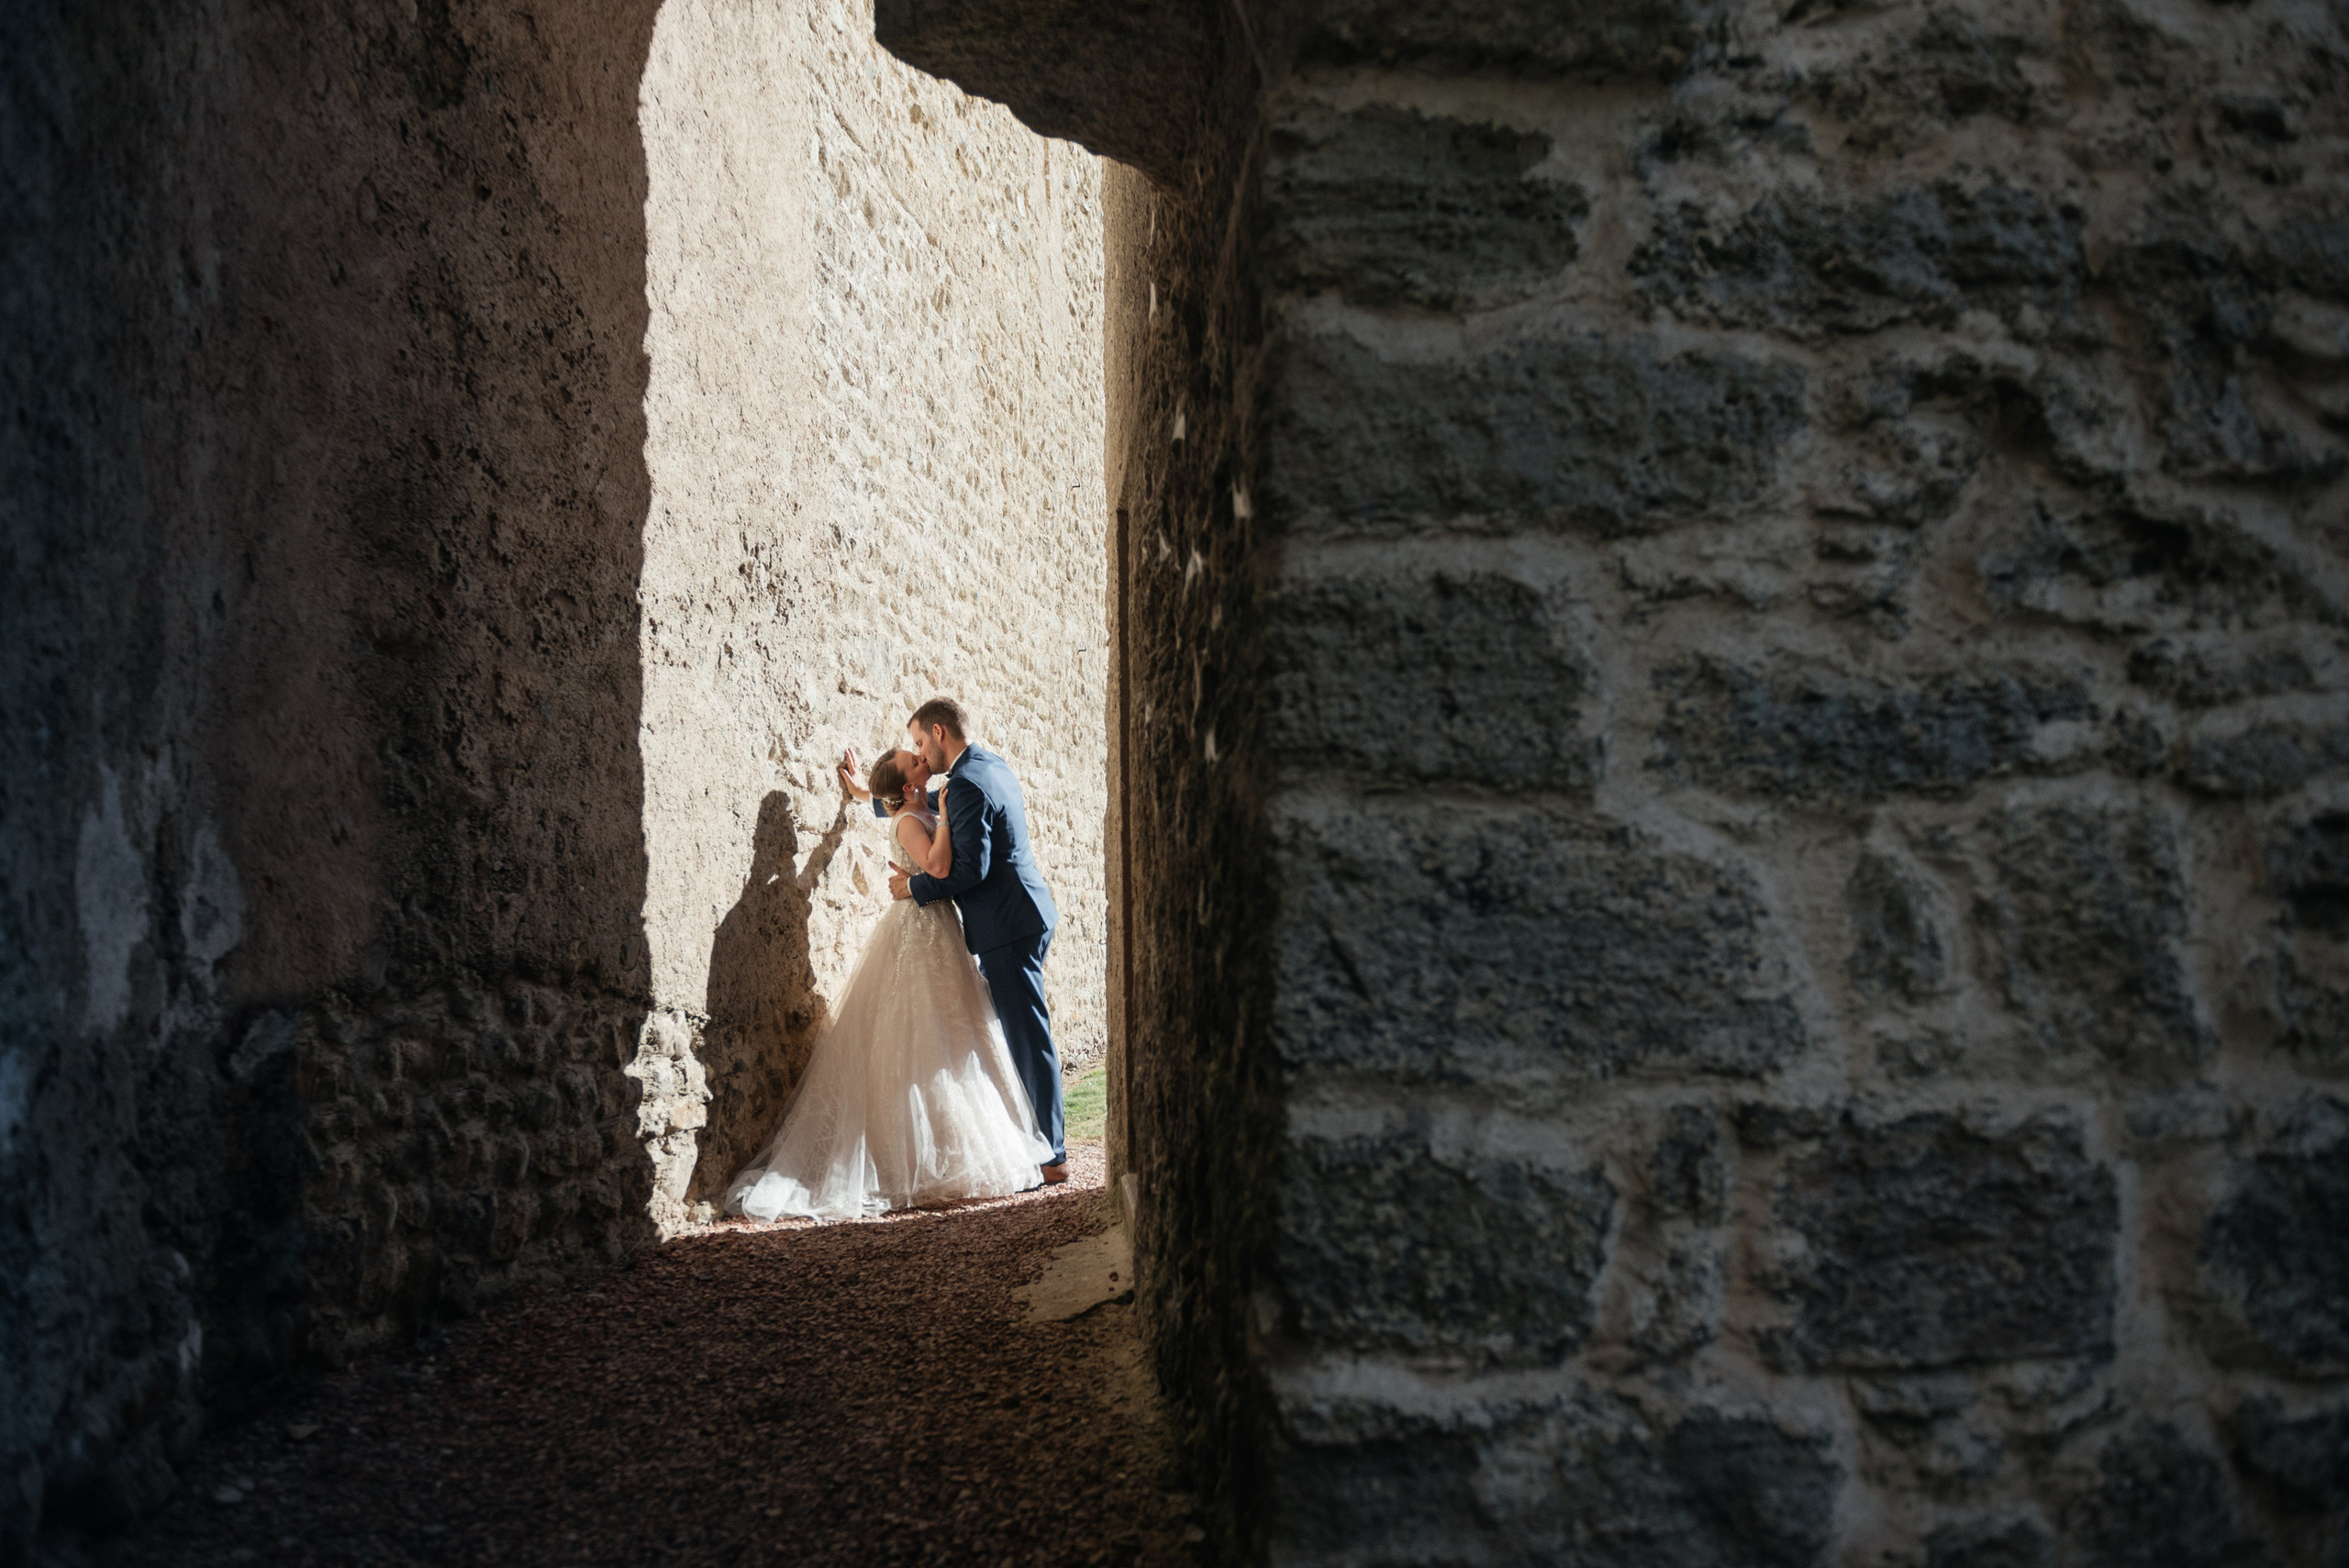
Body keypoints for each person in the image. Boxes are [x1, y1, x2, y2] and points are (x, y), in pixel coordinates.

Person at [724, 750, 1050, 1221]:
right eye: (913, 759)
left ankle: (954, 1143)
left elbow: (896, 805)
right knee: (923, 1029)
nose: (921, 756)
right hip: (919, 929)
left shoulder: (916, 806)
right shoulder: (912, 820)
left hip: (935, 925)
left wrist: (862, 793)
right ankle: (915, 1159)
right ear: (907, 786)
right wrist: (939, 820)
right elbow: (938, 866)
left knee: (952, 1031)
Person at [841, 697, 1069, 1181]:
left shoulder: (964, 786)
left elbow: (966, 868)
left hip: (1007, 925)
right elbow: (910, 811)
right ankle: (1039, 1140)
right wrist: (866, 794)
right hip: (1024, 912)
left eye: (921, 742)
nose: (921, 753)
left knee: (1027, 1038)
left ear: (940, 733)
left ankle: (1053, 1154)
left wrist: (912, 887)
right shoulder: (987, 766)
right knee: (1018, 1032)